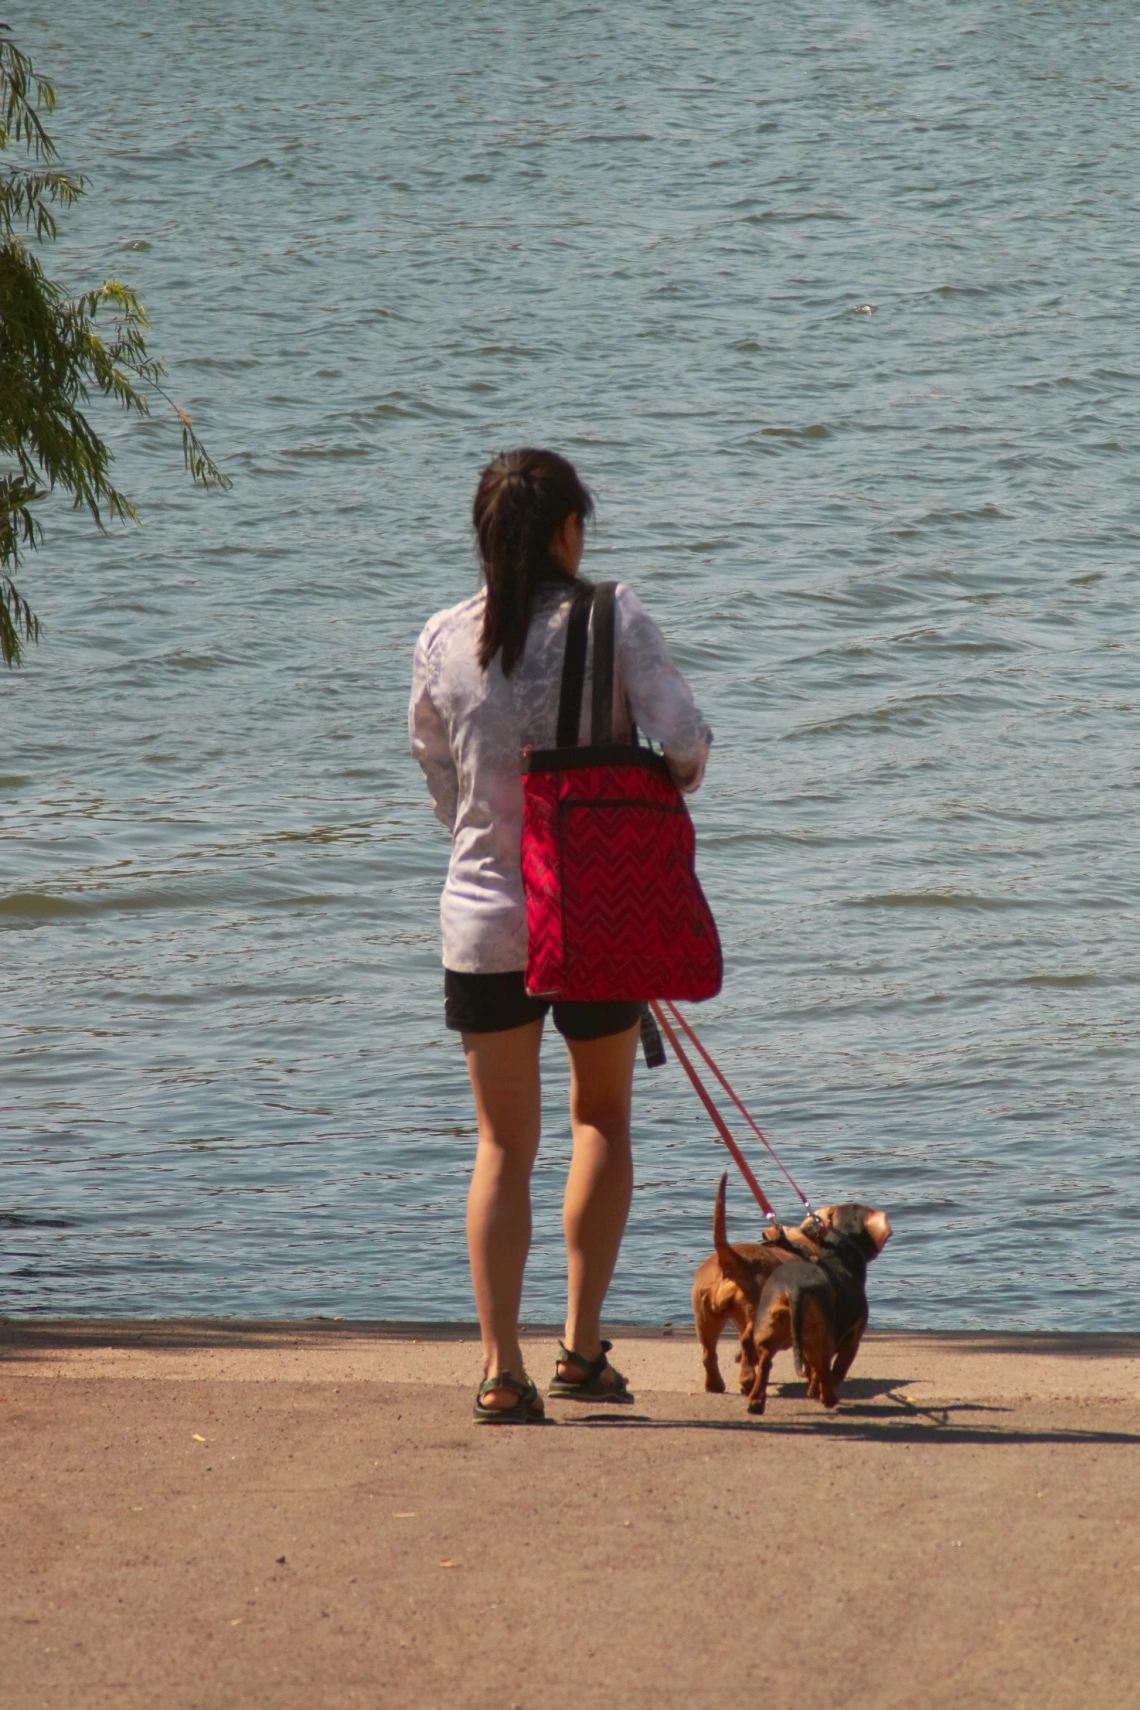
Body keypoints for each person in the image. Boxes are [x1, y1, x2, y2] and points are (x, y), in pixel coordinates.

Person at [409, 448, 712, 1423]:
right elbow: (688, 742)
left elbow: (440, 783)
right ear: (564, 531)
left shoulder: (442, 640)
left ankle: (501, 1369)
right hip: (593, 913)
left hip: (484, 916)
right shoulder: (612, 615)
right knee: (600, 1121)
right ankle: (581, 1346)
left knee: (501, 1143)